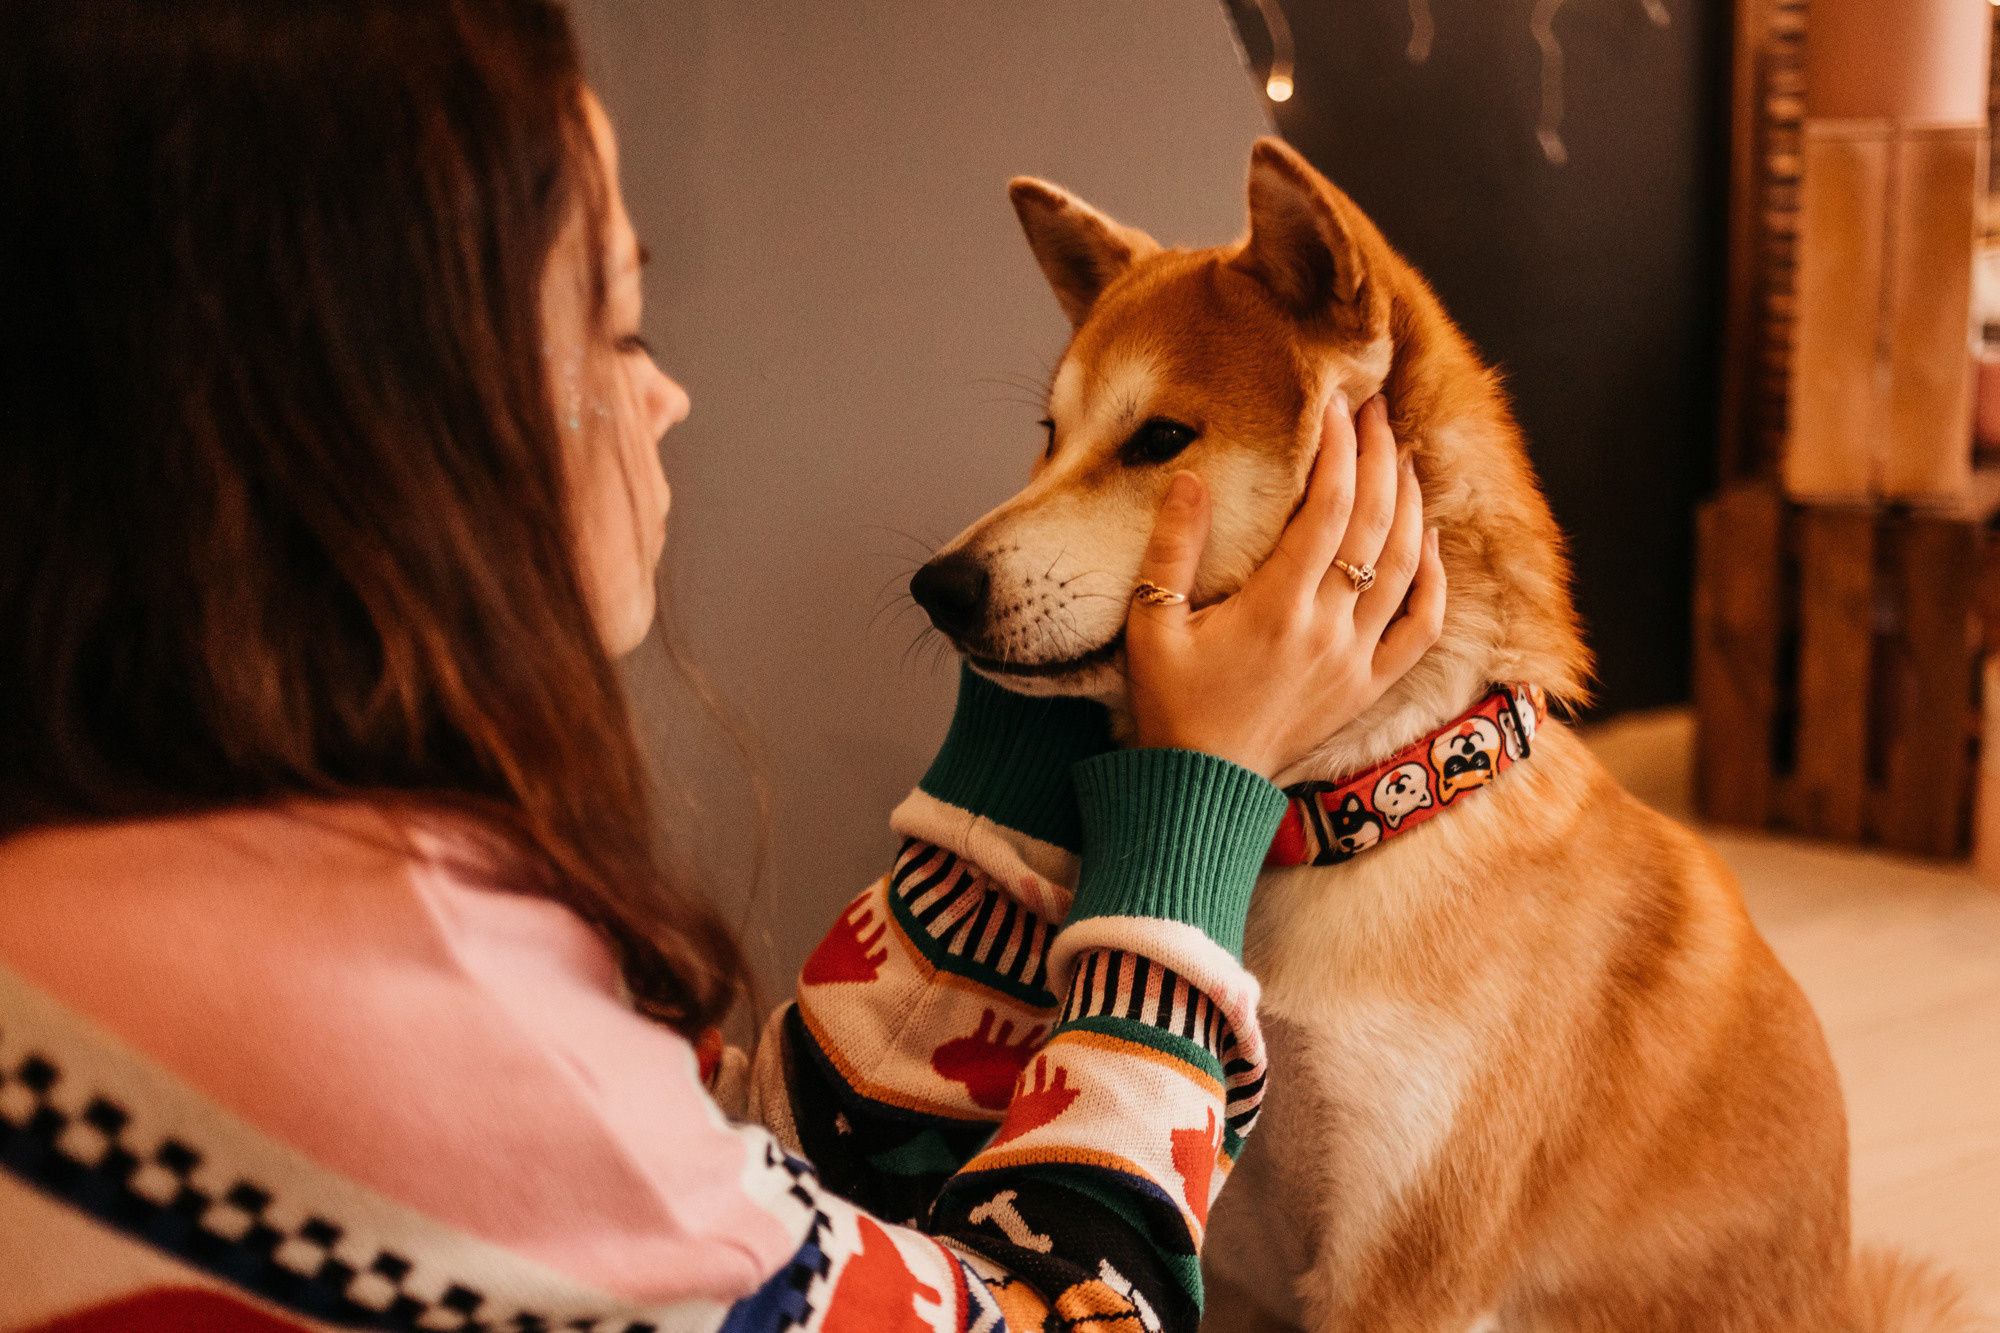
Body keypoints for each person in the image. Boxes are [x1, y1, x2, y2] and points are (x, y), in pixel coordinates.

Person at [0, 2, 1443, 1330]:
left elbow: (779, 1181)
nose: (665, 393)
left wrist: (1039, 709)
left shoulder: (140, 891)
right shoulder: (400, 1021)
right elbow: (1066, 1315)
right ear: (376, 412)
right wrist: (1187, 812)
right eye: (615, 323)